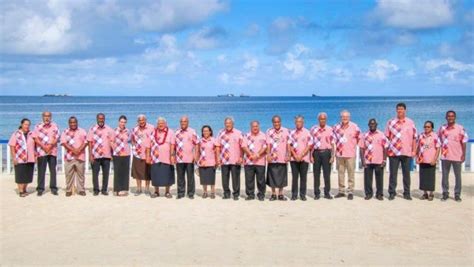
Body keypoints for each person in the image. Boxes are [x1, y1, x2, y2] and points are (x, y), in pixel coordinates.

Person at [385, 103, 417, 200]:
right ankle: (392, 192)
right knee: (393, 174)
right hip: (393, 152)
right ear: (396, 110)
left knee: (406, 174)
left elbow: (414, 138)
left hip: (406, 152)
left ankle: (406, 193)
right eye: (398, 109)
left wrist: (414, 151)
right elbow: (386, 137)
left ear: (405, 110)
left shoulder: (410, 122)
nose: (400, 111)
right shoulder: (391, 122)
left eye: (402, 109)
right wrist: (386, 150)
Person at [438, 110, 468, 202]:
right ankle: (445, 193)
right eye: (448, 116)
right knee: (445, 176)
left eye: (452, 116)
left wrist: (463, 154)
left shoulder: (460, 128)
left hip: (457, 156)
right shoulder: (442, 128)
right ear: (446, 117)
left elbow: (464, 142)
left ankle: (457, 194)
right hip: (445, 156)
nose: (450, 117)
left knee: (458, 176)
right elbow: (438, 140)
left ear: (455, 117)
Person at [333, 110, 360, 200]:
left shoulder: (354, 126)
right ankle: (341, 191)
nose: (344, 118)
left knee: (351, 173)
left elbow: (360, 138)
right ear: (340, 117)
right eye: (343, 117)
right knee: (340, 173)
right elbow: (333, 140)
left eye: (346, 117)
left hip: (350, 154)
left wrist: (354, 147)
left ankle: (350, 191)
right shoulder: (336, 127)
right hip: (340, 154)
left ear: (349, 117)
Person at [146, 117, 176, 198]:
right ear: (157, 124)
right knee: (156, 175)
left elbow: (173, 145)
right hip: (155, 158)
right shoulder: (152, 132)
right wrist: (148, 156)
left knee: (167, 175)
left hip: (167, 158)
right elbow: (148, 146)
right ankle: (156, 191)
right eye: (159, 123)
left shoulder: (171, 132)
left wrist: (172, 155)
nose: (161, 125)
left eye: (162, 123)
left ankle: (167, 192)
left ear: (165, 124)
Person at [359, 119, 388, 201]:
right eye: (370, 124)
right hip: (368, 161)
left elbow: (385, 147)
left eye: (373, 124)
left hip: (379, 160)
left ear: (376, 124)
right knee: (367, 179)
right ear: (368, 125)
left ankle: (379, 194)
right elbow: (361, 148)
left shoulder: (381, 134)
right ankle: (368, 194)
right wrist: (363, 161)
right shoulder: (364, 135)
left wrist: (384, 160)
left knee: (379, 179)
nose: (372, 125)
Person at [32, 111, 60, 196]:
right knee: (41, 171)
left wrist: (50, 146)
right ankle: (40, 189)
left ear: (51, 117)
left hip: (52, 152)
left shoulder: (55, 126)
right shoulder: (37, 126)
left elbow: (57, 137)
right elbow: (35, 138)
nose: (47, 118)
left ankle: (53, 188)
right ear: (42, 117)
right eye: (45, 116)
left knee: (53, 171)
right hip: (41, 151)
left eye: (48, 116)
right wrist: (44, 147)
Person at [216, 117, 244, 200]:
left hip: (235, 160)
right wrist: (218, 158)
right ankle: (226, 193)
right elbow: (217, 146)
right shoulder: (220, 133)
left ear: (233, 124)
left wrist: (241, 157)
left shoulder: (239, 133)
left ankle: (236, 194)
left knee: (236, 178)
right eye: (226, 123)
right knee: (224, 178)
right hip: (224, 160)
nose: (228, 125)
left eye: (229, 123)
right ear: (224, 124)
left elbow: (242, 146)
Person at [87, 113, 114, 196]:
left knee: (106, 174)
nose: (101, 120)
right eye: (99, 118)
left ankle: (104, 190)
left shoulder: (109, 129)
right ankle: (96, 190)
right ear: (97, 119)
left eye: (102, 118)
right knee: (95, 174)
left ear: (104, 119)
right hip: (95, 155)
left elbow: (112, 142)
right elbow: (89, 142)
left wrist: (112, 154)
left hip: (106, 155)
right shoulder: (92, 129)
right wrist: (90, 155)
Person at [60, 116, 88, 197]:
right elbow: (64, 143)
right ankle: (68, 190)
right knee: (69, 175)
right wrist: (73, 150)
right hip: (69, 157)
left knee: (81, 175)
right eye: (71, 122)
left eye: (74, 122)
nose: (73, 124)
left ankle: (81, 190)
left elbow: (86, 142)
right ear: (69, 123)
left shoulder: (82, 131)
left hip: (80, 156)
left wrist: (79, 150)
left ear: (77, 122)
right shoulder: (65, 132)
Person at [310, 112, 334, 200]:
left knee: (327, 174)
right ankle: (317, 193)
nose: (322, 120)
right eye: (321, 119)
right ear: (318, 120)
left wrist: (333, 156)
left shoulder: (330, 129)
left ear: (326, 120)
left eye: (324, 119)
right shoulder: (313, 129)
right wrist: (310, 155)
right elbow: (310, 143)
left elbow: (333, 143)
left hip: (327, 153)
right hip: (316, 153)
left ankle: (327, 193)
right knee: (316, 174)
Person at [9, 118, 36, 197]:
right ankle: (21, 191)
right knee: (20, 175)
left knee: (28, 175)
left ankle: (24, 189)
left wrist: (36, 155)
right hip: (20, 158)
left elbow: (35, 145)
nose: (27, 126)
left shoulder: (31, 134)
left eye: (28, 125)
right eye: (25, 124)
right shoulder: (16, 134)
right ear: (21, 124)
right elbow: (12, 146)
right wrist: (14, 157)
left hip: (30, 158)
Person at [266, 115, 290, 201]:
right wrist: (268, 155)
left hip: (282, 157)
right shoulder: (269, 131)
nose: (276, 123)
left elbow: (288, 144)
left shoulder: (286, 131)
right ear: (273, 123)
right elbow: (268, 144)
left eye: (278, 122)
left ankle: (280, 194)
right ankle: (273, 194)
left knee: (282, 176)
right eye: (275, 122)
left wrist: (288, 154)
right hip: (272, 157)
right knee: (272, 176)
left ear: (280, 122)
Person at [288, 115, 313, 201]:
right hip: (293, 159)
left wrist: (301, 155)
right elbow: (289, 145)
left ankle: (302, 194)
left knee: (303, 177)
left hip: (304, 158)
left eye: (300, 122)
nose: (298, 123)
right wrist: (294, 155)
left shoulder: (307, 132)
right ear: (295, 123)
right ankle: (294, 194)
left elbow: (309, 145)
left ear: (303, 122)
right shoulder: (291, 132)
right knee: (294, 177)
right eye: (297, 122)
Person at [242, 121, 267, 201]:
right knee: (249, 179)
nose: (255, 128)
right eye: (253, 126)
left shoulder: (263, 135)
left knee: (261, 180)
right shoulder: (247, 135)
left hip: (260, 161)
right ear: (251, 127)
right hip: (249, 161)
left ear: (259, 126)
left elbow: (265, 147)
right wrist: (250, 155)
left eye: (256, 126)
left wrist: (257, 155)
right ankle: (250, 195)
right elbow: (244, 146)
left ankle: (261, 194)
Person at [175, 116, 198, 199]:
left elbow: (197, 144)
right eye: (181, 121)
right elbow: (174, 145)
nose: (183, 123)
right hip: (179, 158)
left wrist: (196, 155)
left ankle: (190, 193)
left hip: (190, 158)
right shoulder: (177, 132)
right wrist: (173, 156)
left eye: (184, 121)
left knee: (190, 177)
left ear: (188, 122)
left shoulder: (192, 131)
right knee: (180, 177)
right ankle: (180, 193)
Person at [416, 121, 440, 201]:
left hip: (431, 159)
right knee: (423, 177)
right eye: (425, 126)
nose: (426, 128)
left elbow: (438, 148)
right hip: (422, 159)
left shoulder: (435, 136)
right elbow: (418, 147)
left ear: (432, 128)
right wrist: (417, 157)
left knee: (431, 177)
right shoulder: (421, 136)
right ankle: (425, 193)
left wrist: (435, 159)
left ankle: (431, 193)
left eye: (428, 127)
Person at [131, 114, 154, 196]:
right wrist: (135, 148)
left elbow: (154, 139)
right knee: (137, 172)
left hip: (148, 153)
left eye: (143, 120)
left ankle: (147, 189)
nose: (142, 122)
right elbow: (132, 140)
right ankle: (138, 188)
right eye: (140, 120)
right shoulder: (134, 129)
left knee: (148, 172)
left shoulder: (151, 128)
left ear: (146, 120)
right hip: (137, 153)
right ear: (138, 121)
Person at [195, 125, 219, 199]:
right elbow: (198, 151)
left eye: (207, 131)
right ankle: (205, 192)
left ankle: (212, 192)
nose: (205, 132)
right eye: (204, 131)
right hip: (202, 162)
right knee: (203, 179)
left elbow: (217, 151)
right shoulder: (200, 140)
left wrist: (217, 161)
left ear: (210, 132)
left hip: (211, 162)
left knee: (212, 179)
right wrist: (196, 160)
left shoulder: (214, 140)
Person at [110, 115, 131, 196]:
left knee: (125, 172)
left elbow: (129, 141)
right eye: (121, 122)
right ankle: (117, 189)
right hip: (117, 154)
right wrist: (118, 152)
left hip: (126, 154)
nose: (123, 123)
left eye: (124, 122)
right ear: (119, 122)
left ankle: (124, 189)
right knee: (118, 172)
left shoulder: (128, 131)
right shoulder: (114, 131)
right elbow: (111, 142)